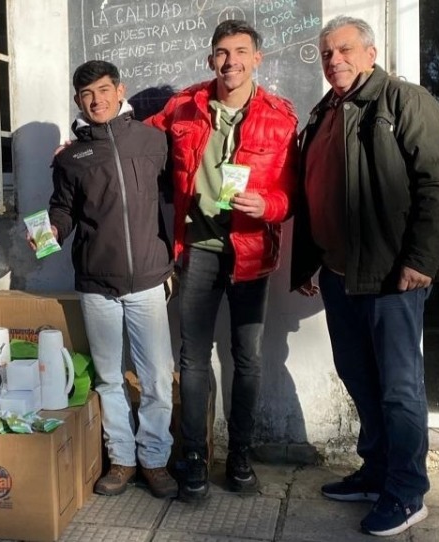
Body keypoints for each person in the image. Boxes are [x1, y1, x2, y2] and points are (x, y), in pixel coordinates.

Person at [290, 16, 439, 537]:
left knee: (399, 389)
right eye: (326, 53)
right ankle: (377, 471)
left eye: (344, 50)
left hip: (392, 278)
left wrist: (419, 261)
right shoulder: (326, 112)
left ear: (370, 52)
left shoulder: (404, 102)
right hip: (342, 275)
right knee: (360, 379)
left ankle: (407, 493)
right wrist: (308, 263)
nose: (334, 60)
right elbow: (313, 192)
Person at [146, 20, 299, 501]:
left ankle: (240, 455)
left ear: (258, 58)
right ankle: (194, 455)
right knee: (192, 359)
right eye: (221, 52)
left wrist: (268, 206)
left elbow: (292, 195)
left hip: (251, 253)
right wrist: (84, 141)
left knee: (247, 358)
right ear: (210, 58)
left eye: (240, 51)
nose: (230, 61)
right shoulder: (185, 105)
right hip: (196, 252)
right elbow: (132, 140)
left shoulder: (281, 116)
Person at [42, 60, 177, 499]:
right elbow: (61, 210)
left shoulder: (154, 141)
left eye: (103, 90)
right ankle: (122, 459)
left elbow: (178, 194)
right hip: (97, 283)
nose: (96, 100)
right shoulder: (71, 158)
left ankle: (155, 461)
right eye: (86, 94)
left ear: (121, 90)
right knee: (108, 379)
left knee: (156, 379)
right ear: (78, 100)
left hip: (149, 281)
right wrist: (51, 232)